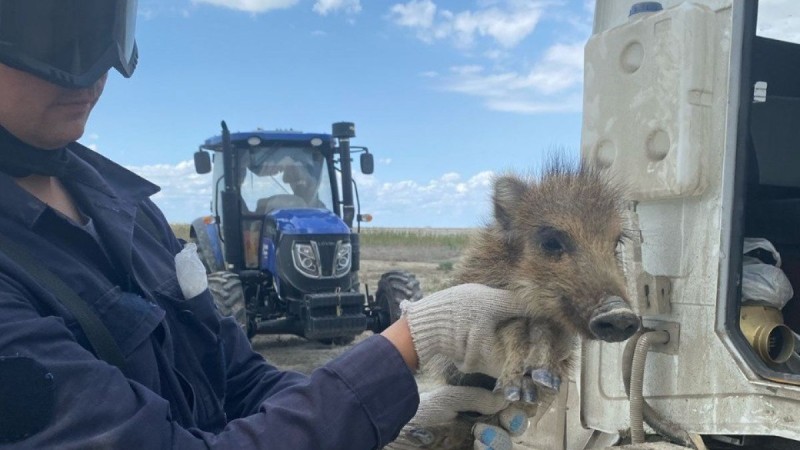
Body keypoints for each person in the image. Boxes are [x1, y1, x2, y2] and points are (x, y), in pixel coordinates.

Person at [0, 1, 538, 449]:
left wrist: (389, 416)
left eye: (107, 29)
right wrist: (410, 341)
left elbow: (239, 378)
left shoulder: (127, 207)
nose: (98, 67)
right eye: (55, 30)